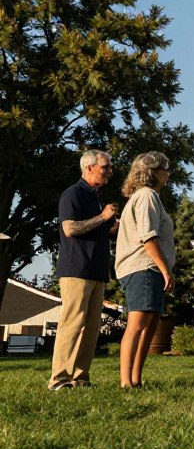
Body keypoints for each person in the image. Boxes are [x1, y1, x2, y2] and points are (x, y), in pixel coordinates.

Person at [48, 149, 118, 390]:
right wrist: (102, 217)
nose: (110, 170)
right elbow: (70, 229)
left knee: (91, 326)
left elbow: (109, 229)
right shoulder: (73, 194)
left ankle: (80, 376)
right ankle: (59, 378)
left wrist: (117, 222)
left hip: (97, 270)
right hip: (76, 269)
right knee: (73, 323)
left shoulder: (97, 197)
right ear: (89, 167)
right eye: (106, 166)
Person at [115, 151, 176, 389]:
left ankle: (136, 379)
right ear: (154, 172)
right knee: (138, 323)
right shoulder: (147, 196)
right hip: (143, 267)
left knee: (150, 326)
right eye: (165, 169)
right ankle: (125, 381)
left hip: (150, 268)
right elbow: (148, 237)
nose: (168, 174)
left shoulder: (150, 197)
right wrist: (165, 269)